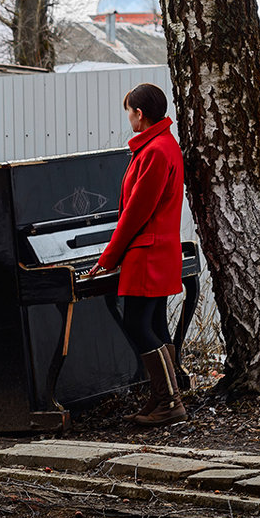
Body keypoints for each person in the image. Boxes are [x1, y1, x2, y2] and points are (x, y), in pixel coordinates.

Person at [85, 83, 186, 426]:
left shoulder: (155, 151)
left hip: (148, 253)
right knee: (155, 323)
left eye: (129, 111)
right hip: (159, 250)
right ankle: (163, 397)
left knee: (137, 324)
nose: (128, 117)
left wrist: (106, 258)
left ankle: (170, 402)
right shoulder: (164, 145)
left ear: (139, 114)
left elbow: (135, 214)